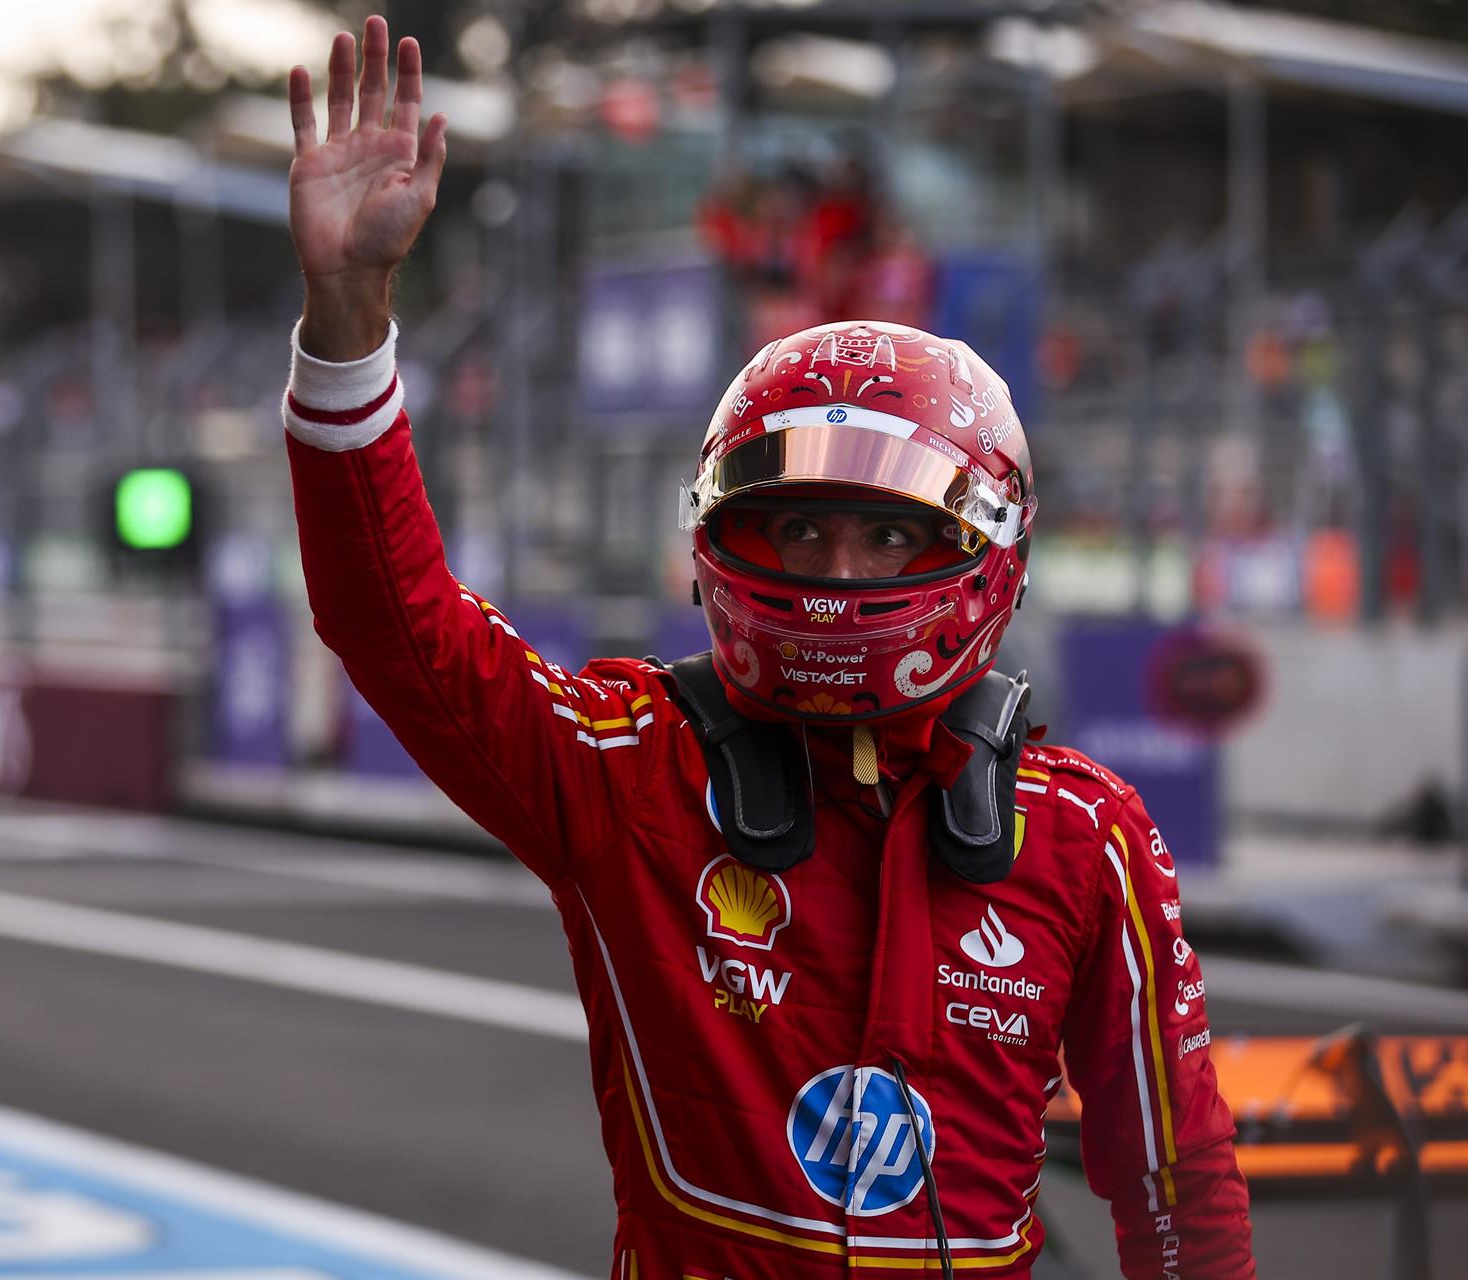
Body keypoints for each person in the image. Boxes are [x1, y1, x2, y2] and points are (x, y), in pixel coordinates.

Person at [281, 18, 1255, 1279]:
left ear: (990, 552)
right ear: (719, 536)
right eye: (796, 526)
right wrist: (348, 317)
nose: (838, 573)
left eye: (892, 536)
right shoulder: (629, 771)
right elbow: (390, 621)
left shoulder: (1086, 838)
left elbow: (1177, 1188)